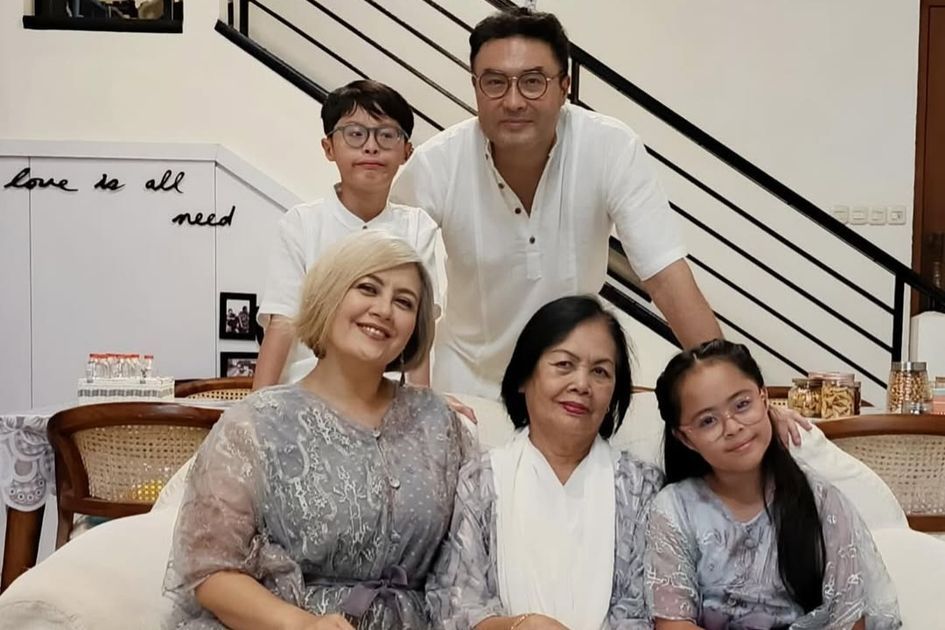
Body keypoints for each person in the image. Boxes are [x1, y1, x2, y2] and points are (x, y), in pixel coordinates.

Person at [392, 9, 720, 399]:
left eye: (533, 82)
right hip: (468, 384)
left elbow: (665, 275)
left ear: (565, 86)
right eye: (495, 83)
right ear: (476, 87)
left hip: (572, 385)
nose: (513, 101)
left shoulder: (610, 147)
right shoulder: (435, 165)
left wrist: (731, 387)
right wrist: (416, 401)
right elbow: (396, 286)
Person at [165, 231, 471, 629]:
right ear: (329, 295)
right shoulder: (256, 423)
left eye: (404, 302)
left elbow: (470, 560)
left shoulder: (438, 422)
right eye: (368, 288)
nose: (384, 310)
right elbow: (208, 569)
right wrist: (301, 624)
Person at [427, 295, 662, 629]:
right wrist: (519, 626)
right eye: (564, 365)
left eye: (600, 372)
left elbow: (646, 609)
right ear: (524, 378)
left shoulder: (641, 488)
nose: (582, 385)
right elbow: (455, 602)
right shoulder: (480, 481)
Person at [645, 339, 901, 630]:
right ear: (685, 438)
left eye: (742, 405)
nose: (733, 427)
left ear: (764, 399)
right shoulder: (675, 509)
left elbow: (852, 619)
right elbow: (673, 625)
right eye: (707, 421)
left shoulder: (820, 500)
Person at [254, 79, 439, 390]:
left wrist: (423, 407)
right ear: (329, 147)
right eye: (355, 134)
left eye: (387, 135)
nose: (371, 146)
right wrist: (254, 408)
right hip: (307, 391)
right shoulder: (301, 224)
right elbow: (282, 324)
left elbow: (420, 330)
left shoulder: (418, 228)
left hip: (387, 395)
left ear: (407, 151)